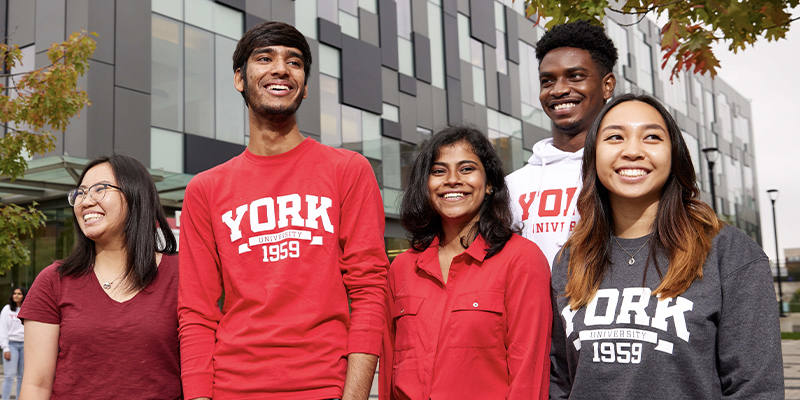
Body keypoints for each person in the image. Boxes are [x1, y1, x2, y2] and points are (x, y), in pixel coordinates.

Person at [178, 21, 389, 400]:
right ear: (240, 79)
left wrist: (355, 396)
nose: (280, 69)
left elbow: (370, 289)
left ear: (304, 86)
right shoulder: (205, 189)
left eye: (294, 62)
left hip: (325, 387)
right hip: (232, 388)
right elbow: (196, 310)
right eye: (265, 58)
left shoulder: (347, 170)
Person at [549, 93, 783, 399]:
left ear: (674, 156)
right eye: (615, 137)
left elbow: (756, 388)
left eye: (651, 137)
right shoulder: (571, 258)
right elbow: (561, 382)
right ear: (594, 155)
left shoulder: (727, 252)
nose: (632, 151)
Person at [380, 125, 552, 400]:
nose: (452, 180)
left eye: (466, 169)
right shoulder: (401, 268)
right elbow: (389, 368)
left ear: (490, 184)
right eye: (438, 171)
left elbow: (529, 373)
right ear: (425, 185)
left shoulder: (521, 259)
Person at [18, 154, 180, 399]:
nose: (85, 201)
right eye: (80, 193)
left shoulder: (182, 273)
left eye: (99, 190)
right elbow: (36, 385)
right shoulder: (54, 280)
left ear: (136, 195)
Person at [506, 20, 618, 267]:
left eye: (575, 76)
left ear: (607, 85)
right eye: (547, 81)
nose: (558, 90)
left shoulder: (626, 170)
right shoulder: (513, 186)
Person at [0, 287, 25, 400]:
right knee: (9, 376)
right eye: (14, 293)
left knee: (22, 377)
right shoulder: (7, 309)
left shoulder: (27, 309)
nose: (16, 295)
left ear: (24, 295)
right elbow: (3, 329)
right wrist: (5, 348)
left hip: (25, 345)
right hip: (11, 345)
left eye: (19, 294)